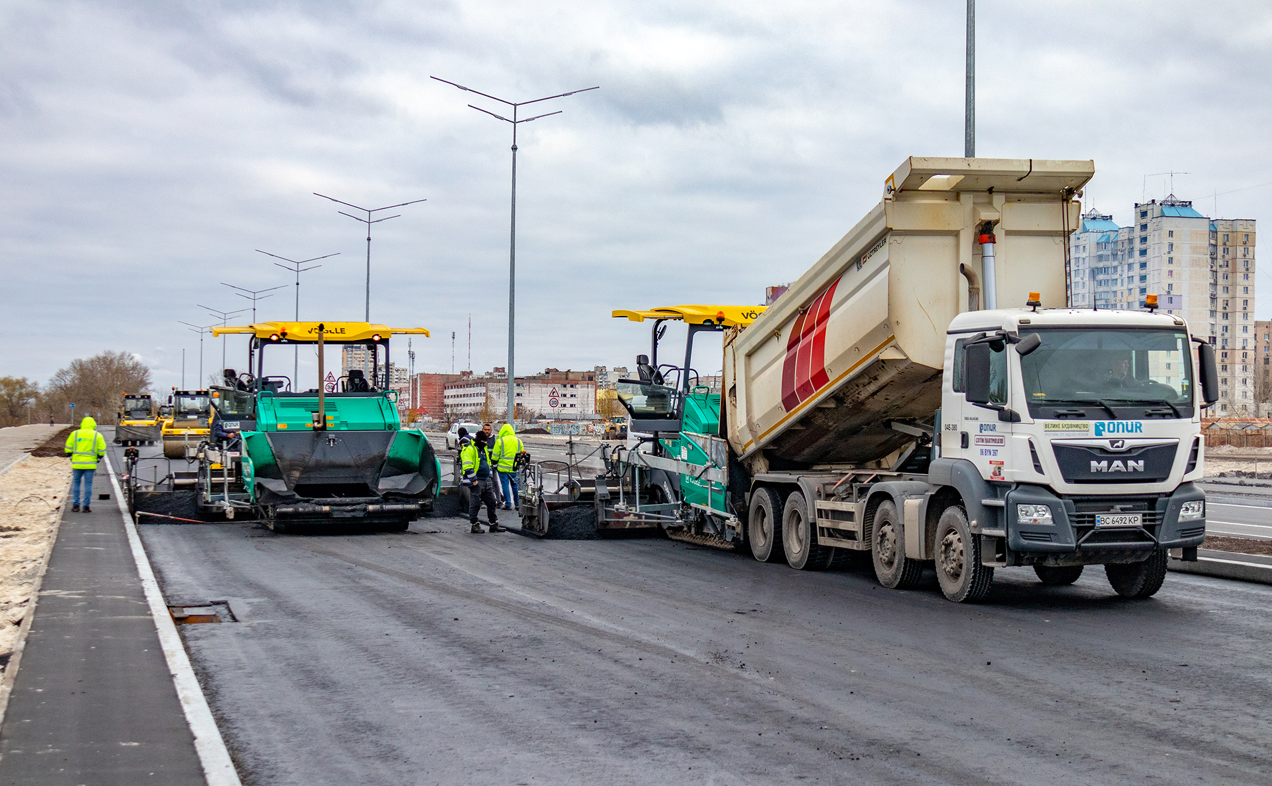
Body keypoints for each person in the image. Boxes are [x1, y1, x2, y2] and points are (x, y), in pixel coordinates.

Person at [459, 427, 501, 533]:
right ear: (478, 441)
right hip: (477, 481)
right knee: (475, 503)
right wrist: (474, 480)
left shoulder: (483, 449)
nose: (486, 443)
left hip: (486, 480)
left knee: (491, 502)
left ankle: (493, 524)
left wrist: (490, 476)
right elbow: (467, 466)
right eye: (484, 441)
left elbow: (488, 463)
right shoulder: (470, 449)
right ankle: (474, 524)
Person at [64, 416, 106, 513]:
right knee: (88, 484)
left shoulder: (75, 434)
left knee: (76, 483)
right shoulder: (97, 435)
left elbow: (68, 449)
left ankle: (75, 505)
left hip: (77, 464)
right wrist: (98, 459)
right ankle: (86, 506)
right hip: (90, 465)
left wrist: (71, 457)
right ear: (93, 425)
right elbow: (102, 451)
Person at [491, 423, 523, 511]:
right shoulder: (518, 441)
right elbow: (521, 453)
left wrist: (494, 462)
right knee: (515, 485)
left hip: (502, 467)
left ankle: (508, 503)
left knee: (505, 485)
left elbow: (495, 456)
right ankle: (517, 504)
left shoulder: (500, 441)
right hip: (514, 468)